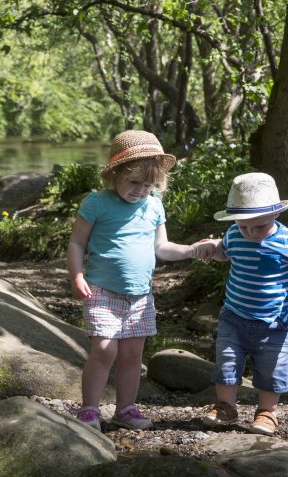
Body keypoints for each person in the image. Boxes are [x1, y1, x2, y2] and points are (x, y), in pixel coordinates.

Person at [68, 130, 214, 430]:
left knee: (133, 355)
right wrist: (76, 274)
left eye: (148, 185)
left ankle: (125, 409)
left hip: (140, 295)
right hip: (102, 290)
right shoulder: (97, 203)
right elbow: (77, 243)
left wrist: (191, 250)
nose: (140, 190)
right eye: (134, 182)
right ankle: (90, 409)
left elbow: (161, 247)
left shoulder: (153, 206)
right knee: (105, 350)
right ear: (115, 174)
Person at [199, 172, 288, 435]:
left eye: (259, 226)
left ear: (276, 215)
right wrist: (212, 247)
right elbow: (225, 251)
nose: (251, 232)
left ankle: (267, 412)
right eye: (244, 226)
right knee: (227, 361)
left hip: (274, 321)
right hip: (234, 316)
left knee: (272, 368)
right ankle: (225, 406)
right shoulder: (235, 233)